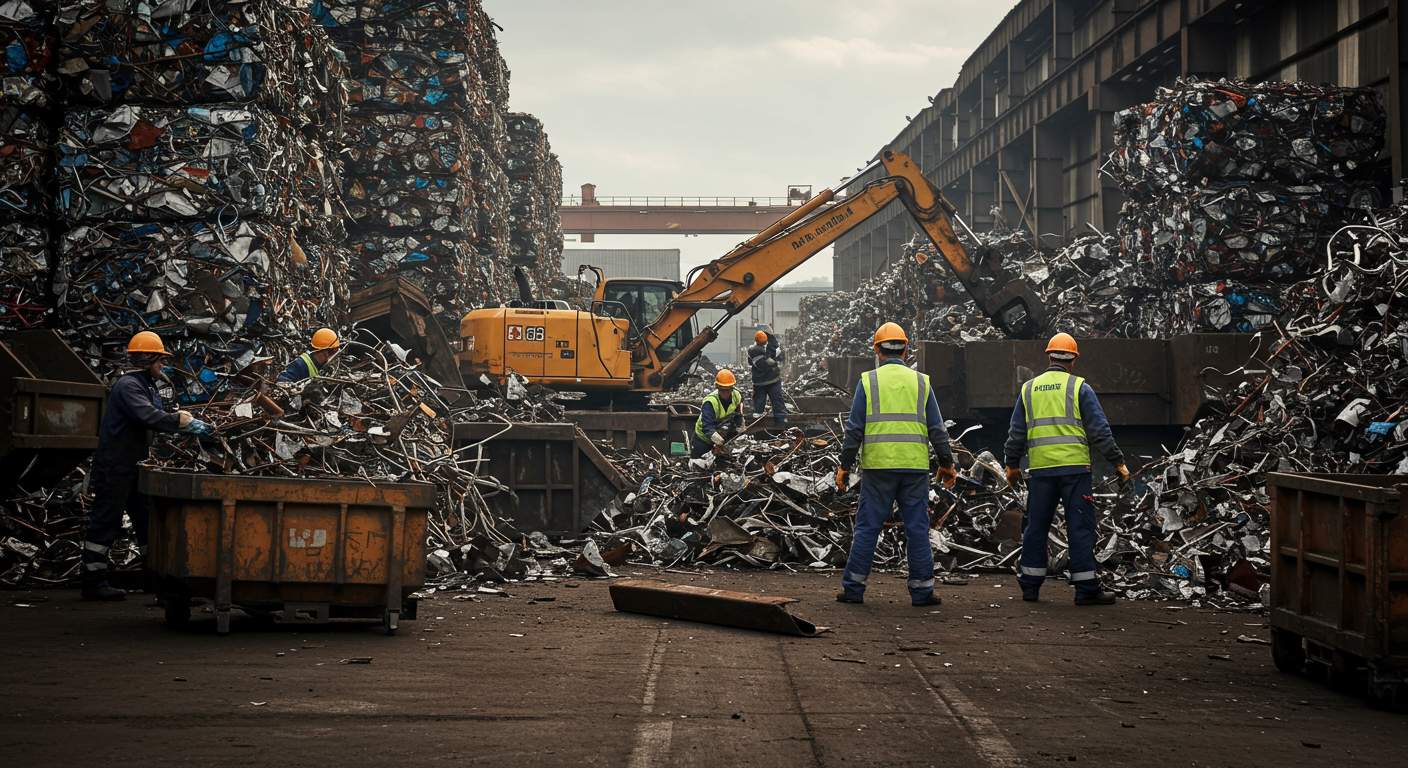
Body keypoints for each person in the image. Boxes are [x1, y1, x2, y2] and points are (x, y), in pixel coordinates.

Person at [82, 331, 213, 601]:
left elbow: (157, 418)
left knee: (147, 522)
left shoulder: (146, 385)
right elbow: (148, 416)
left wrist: (181, 424)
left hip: (135, 464)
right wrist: (181, 422)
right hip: (116, 465)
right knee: (106, 519)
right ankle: (93, 581)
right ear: (147, 359)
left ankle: (156, 580)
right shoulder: (129, 386)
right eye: (160, 360)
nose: (162, 365)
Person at [834, 322, 957, 606]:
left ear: (877, 349)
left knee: (867, 527)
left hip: (878, 468)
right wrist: (946, 462)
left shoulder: (868, 381)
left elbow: (854, 429)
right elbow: (937, 429)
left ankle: (853, 589)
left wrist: (845, 464)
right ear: (906, 349)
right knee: (917, 528)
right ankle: (922, 591)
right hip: (914, 468)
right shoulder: (921, 381)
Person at [1003, 332, 1129, 606]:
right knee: (1079, 528)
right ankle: (1086, 589)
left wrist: (1012, 465)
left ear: (1049, 356)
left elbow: (1016, 433)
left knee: (1036, 527)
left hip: (1041, 471)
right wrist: (1118, 462)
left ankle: (1030, 586)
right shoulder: (1080, 388)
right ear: (1073, 360)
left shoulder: (1029, 389)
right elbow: (1099, 432)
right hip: (1074, 471)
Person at [691, 368, 743, 458]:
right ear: (717, 387)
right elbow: (707, 427)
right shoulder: (710, 402)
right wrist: (719, 441)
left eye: (728, 390)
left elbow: (738, 414)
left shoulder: (736, 396)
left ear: (732, 388)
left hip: (721, 432)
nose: (725, 393)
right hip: (703, 439)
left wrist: (740, 427)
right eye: (722, 390)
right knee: (700, 464)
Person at [746, 330, 787, 426]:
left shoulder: (768, 345)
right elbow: (762, 364)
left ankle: (782, 424)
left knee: (777, 402)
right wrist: (772, 359)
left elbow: (776, 356)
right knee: (760, 404)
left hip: (772, 380)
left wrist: (772, 356)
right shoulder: (754, 350)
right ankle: (758, 426)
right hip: (761, 382)